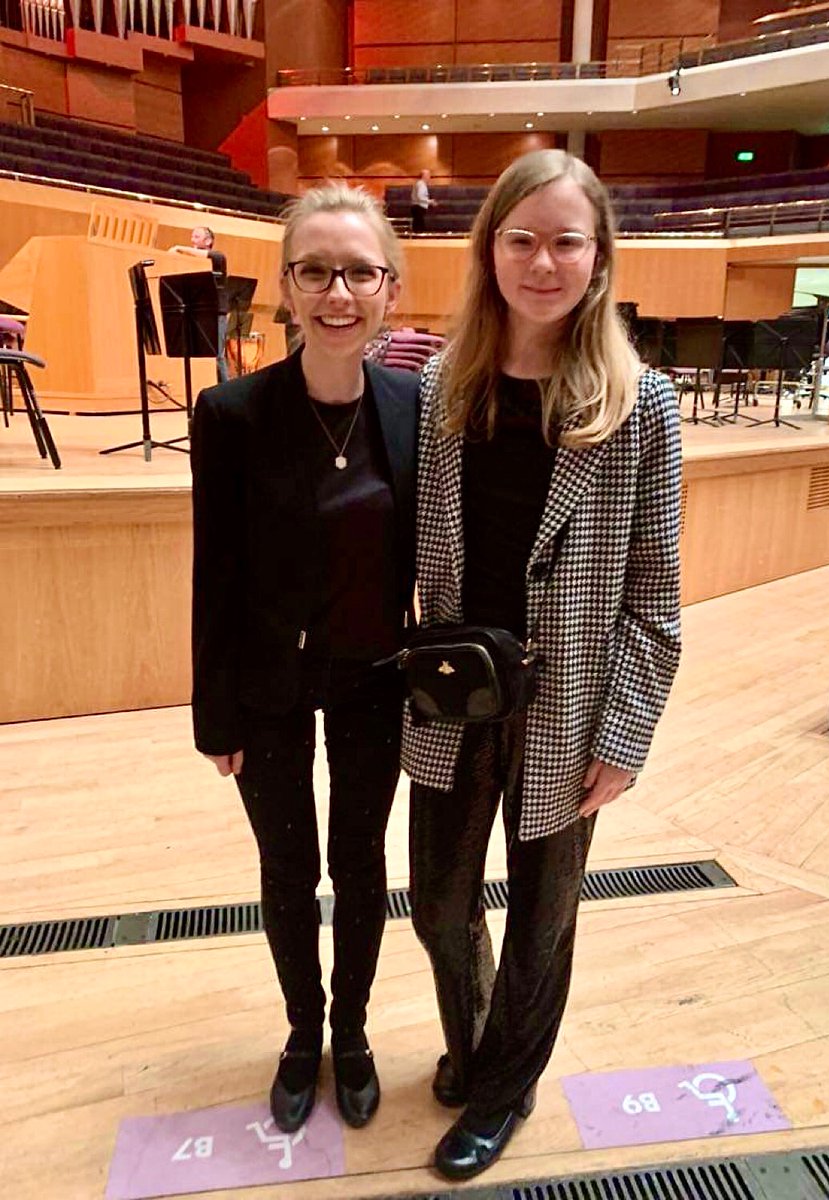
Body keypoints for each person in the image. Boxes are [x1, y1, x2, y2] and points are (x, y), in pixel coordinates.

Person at [402, 149, 682, 1181]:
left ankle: (505, 1085)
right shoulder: (442, 386)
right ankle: (477, 1042)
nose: (543, 260)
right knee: (438, 898)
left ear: (599, 255)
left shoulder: (641, 405)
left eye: (567, 239)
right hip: (453, 690)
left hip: (568, 706)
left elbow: (655, 598)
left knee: (543, 911)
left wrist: (626, 736)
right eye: (521, 238)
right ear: (491, 252)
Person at [190, 184, 418, 1134]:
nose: (338, 290)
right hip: (269, 688)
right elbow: (215, 570)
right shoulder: (232, 412)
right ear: (286, 285)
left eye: (360, 271)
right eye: (316, 269)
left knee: (361, 866)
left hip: (374, 682)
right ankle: (300, 1033)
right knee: (289, 869)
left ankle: (354, 1032)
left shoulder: (416, 406)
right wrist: (215, 715)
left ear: (389, 290)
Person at [172, 225, 230, 383]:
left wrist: (178, 248)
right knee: (201, 357)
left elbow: (214, 256)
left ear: (209, 240)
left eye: (196, 237)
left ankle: (226, 391)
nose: (192, 240)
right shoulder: (193, 262)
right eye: (192, 237)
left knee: (217, 356)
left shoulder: (218, 257)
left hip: (217, 313)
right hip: (201, 313)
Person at [410, 168, 434, 233]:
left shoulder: (419, 183)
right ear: (424, 176)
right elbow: (420, 197)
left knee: (418, 225)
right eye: (428, 174)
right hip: (419, 207)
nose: (430, 176)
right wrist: (430, 201)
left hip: (417, 207)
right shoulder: (421, 184)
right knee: (419, 227)